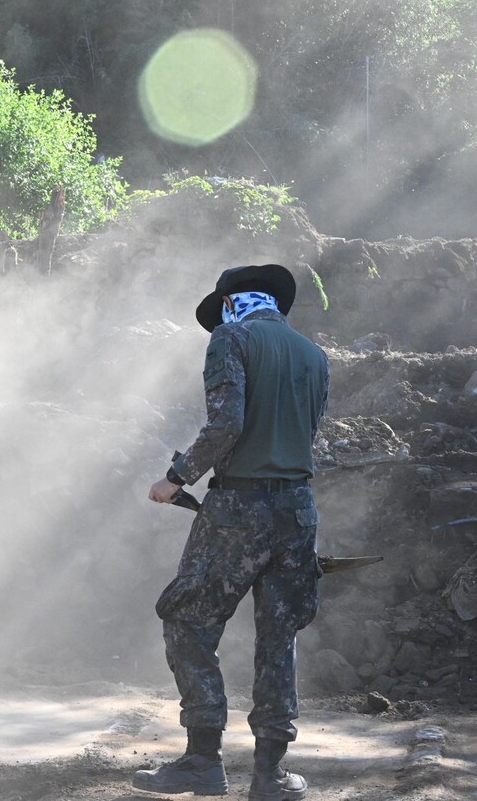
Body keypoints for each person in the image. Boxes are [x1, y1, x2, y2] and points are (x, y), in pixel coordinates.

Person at [135, 264, 329, 801]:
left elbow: (227, 424)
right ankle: (270, 776)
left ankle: (202, 761)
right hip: (297, 512)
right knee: (278, 637)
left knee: (187, 620)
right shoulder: (314, 356)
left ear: (231, 302)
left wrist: (175, 479)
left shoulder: (231, 336)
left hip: (237, 508)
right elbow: (305, 435)